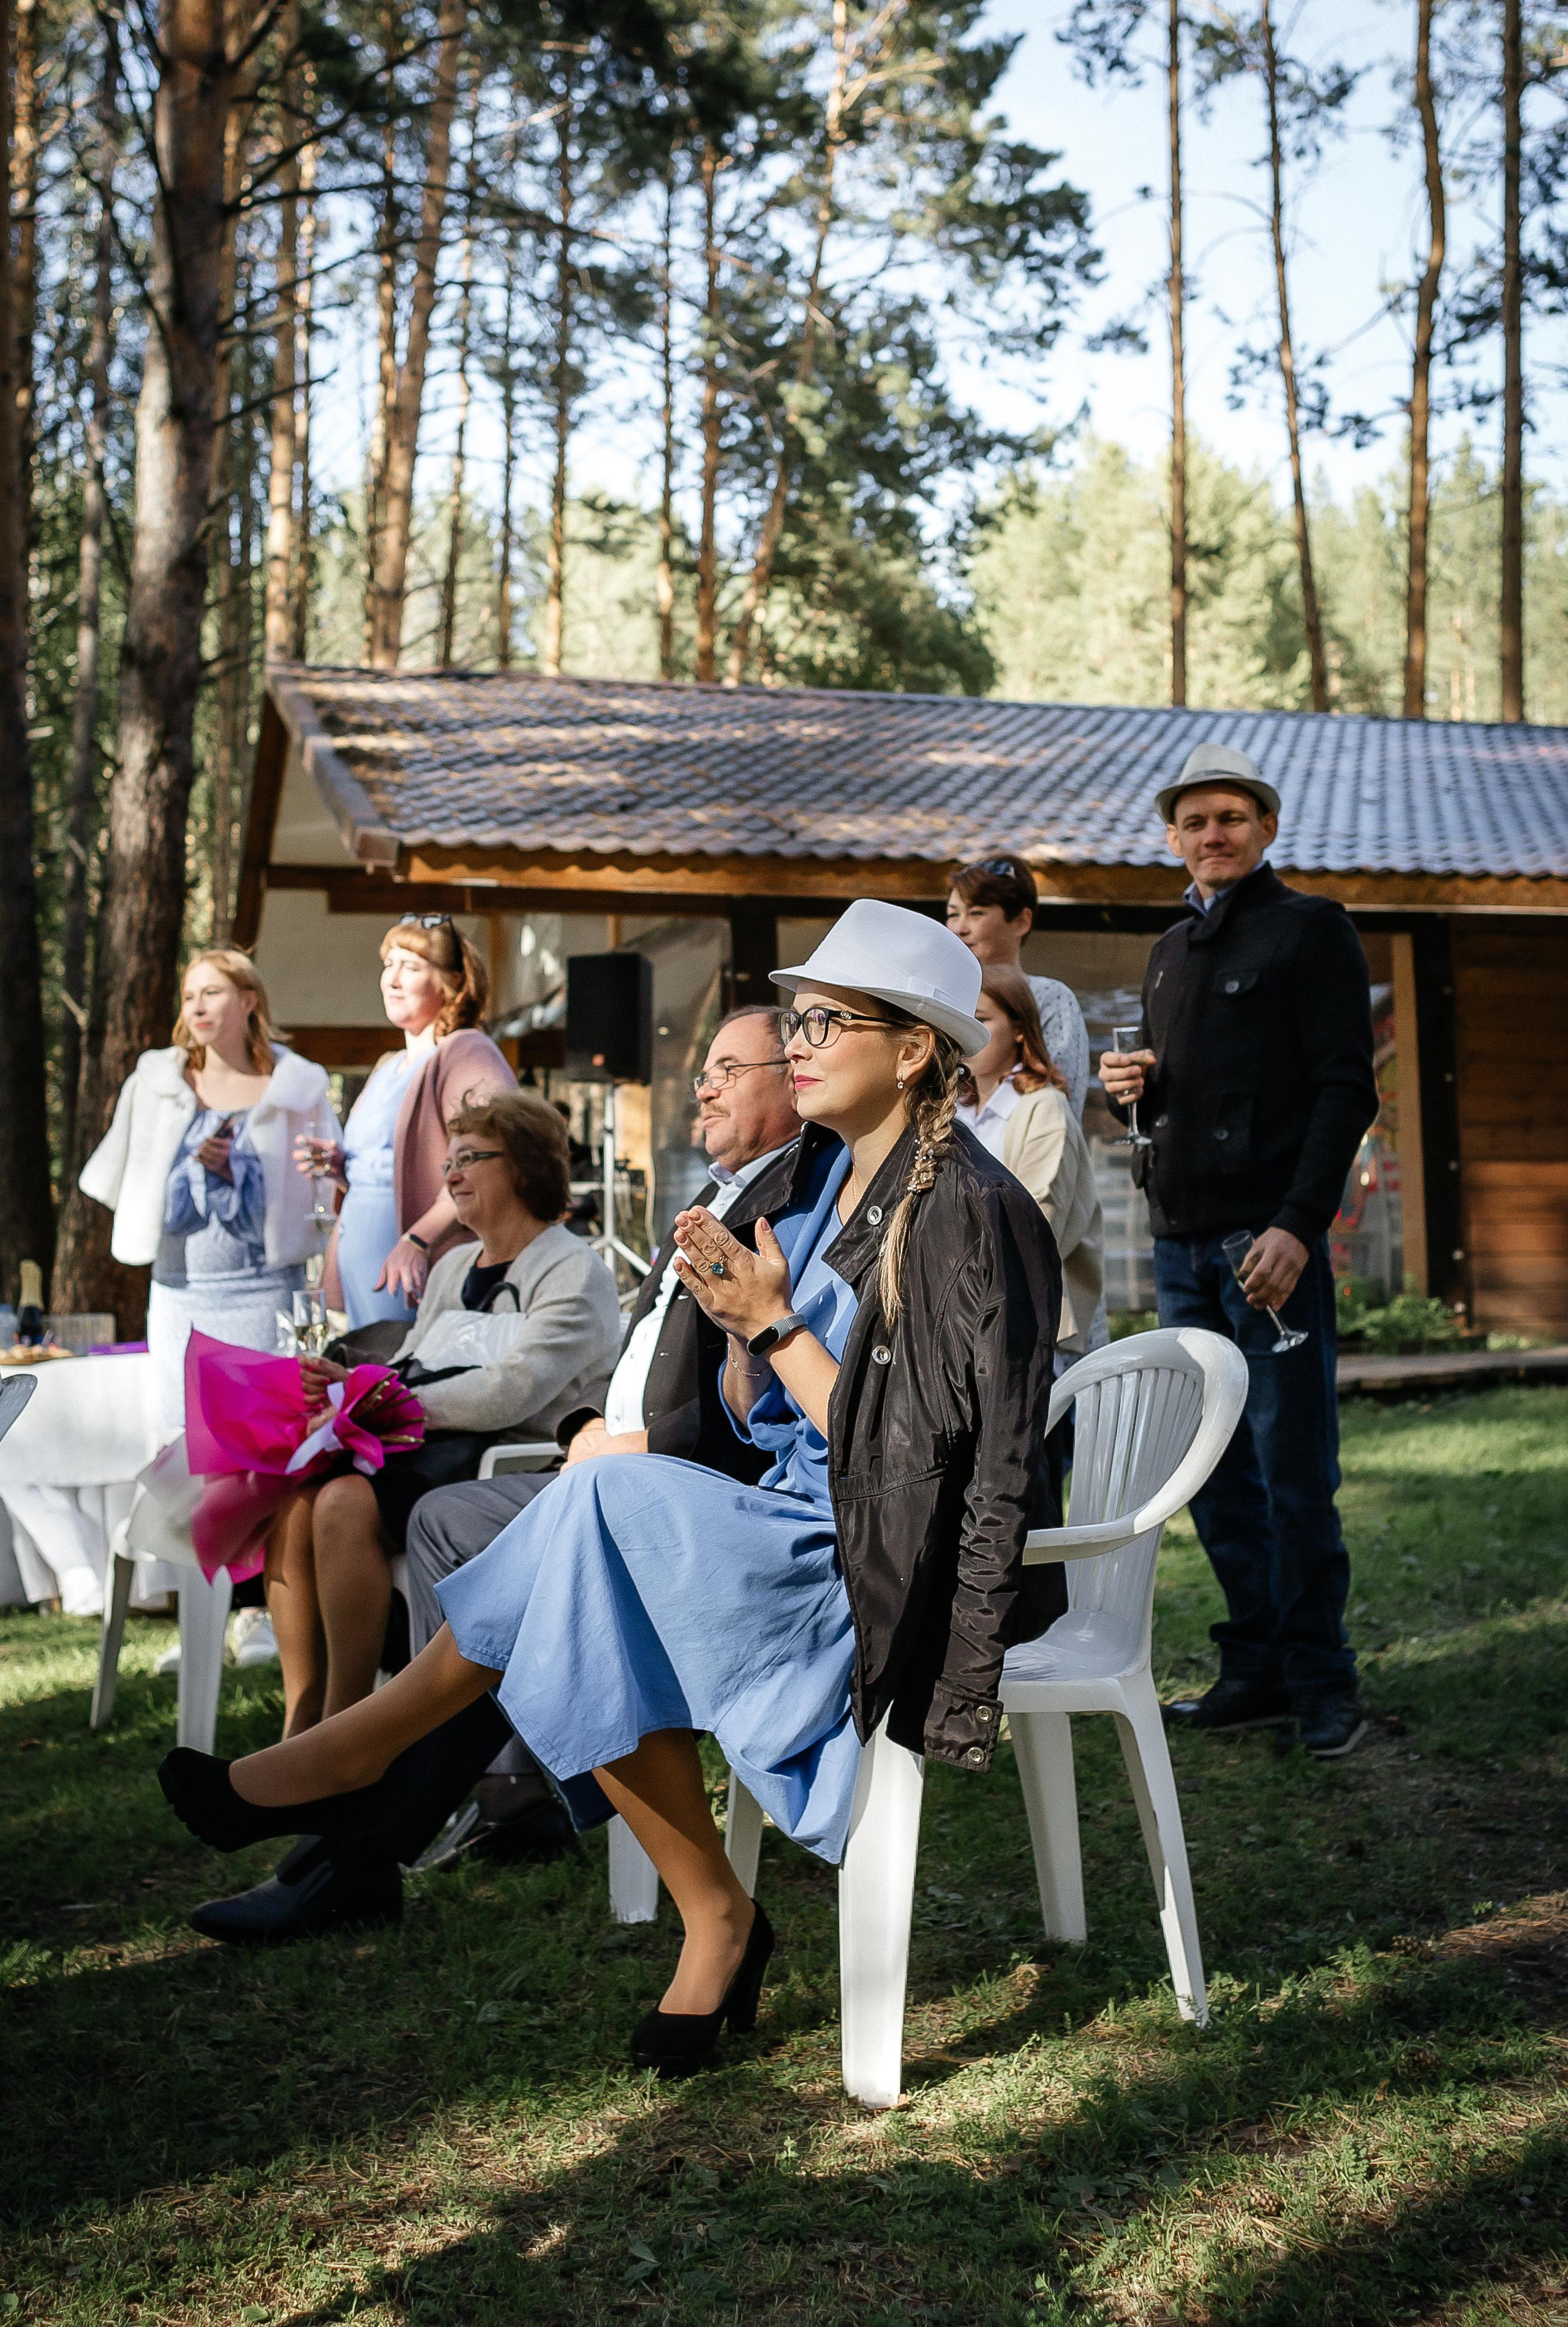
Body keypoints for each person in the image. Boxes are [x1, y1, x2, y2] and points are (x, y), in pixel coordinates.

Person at [159, 899, 1064, 2079]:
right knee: (589, 1559)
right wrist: (743, 1348)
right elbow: (768, 1416)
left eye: (826, 1022)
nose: (796, 1042)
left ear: (910, 1051)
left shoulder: (966, 1209)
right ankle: (700, 1911)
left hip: (875, 1558)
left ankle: (364, 1763)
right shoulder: (819, 1180)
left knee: (593, 1514)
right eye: (795, 1019)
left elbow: (922, 1460)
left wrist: (772, 1325)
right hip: (793, 1513)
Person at [186, 1006, 804, 1943]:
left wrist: (622, 1442)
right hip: (600, 1463)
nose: (703, 1087)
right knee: (359, 1509)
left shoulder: (773, 1212)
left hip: (645, 1483)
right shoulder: (723, 1200)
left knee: (455, 1533)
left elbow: (732, 1402)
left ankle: (358, 1790)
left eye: (728, 1068)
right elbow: (643, 1370)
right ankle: (357, 1770)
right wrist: (584, 1426)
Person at [1100, 743, 1379, 1760]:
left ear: (1266, 828)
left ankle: (1321, 1679)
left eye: (1231, 817)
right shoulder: (1170, 949)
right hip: (1181, 1246)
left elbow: (1346, 1089)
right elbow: (1188, 1098)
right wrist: (1134, 1090)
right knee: (1211, 1469)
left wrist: (1299, 1224)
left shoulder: (1312, 928)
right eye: (1194, 821)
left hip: (1267, 1244)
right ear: (1173, 838)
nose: (1212, 834)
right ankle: (1256, 1663)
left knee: (1290, 1465)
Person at [263, 1089, 622, 1737]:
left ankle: (347, 1728)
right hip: (428, 1448)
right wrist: (352, 1389)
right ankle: (302, 1719)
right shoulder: (455, 1263)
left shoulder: (575, 1270)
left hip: (506, 1464)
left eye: (470, 1159)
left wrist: (389, 1406)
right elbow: (412, 1362)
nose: (451, 1176)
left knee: (341, 1501)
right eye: (448, 1163)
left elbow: (511, 1392)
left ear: (524, 1169)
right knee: (294, 1504)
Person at [80, 949, 341, 1445]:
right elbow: (128, 1178)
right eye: (189, 997)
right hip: (181, 1295)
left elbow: (327, 1182)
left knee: (264, 1435)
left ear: (248, 1001)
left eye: (212, 993)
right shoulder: (156, 1084)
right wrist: (191, 1173)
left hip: (266, 1295)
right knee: (186, 1440)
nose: (197, 1007)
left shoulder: (296, 1089)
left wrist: (237, 1172)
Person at [298, 915, 516, 1331]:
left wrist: (418, 1239)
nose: (392, 980)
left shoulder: (466, 1051)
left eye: (411, 967)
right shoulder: (388, 1065)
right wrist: (343, 1168)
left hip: (416, 1272)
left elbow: (489, 1157)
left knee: (404, 1371)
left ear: (451, 982)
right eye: (389, 965)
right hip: (360, 1267)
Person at [959, 964, 1104, 1364]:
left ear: (1020, 1029)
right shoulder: (954, 1110)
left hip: (1026, 1324)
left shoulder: (1044, 1107)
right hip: (963, 1315)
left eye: (982, 1019)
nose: (969, 1033)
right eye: (962, 1019)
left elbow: (1036, 1226)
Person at [945, 853, 1090, 1119]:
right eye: (953, 915)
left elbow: (1064, 1103)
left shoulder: (1050, 998)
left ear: (1022, 922)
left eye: (976, 913)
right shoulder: (943, 996)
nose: (960, 928)